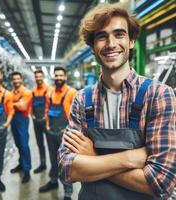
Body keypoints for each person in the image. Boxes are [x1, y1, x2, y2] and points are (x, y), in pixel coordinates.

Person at [58, 3, 176, 200]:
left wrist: (94, 158)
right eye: (102, 36)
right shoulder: (82, 99)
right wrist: (129, 158)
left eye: (119, 34)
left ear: (131, 41)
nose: (111, 44)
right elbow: (67, 169)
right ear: (93, 46)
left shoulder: (158, 95)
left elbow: (160, 182)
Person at [39, 67, 77, 200]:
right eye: (56, 75)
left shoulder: (72, 92)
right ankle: (53, 181)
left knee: (66, 162)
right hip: (51, 131)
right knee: (53, 159)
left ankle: (67, 192)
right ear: (53, 77)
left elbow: (77, 115)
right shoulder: (49, 92)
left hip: (65, 134)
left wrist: (69, 130)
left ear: (65, 77)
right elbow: (47, 109)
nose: (59, 78)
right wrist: (47, 125)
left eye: (61, 75)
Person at [10, 71, 32, 183]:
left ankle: (27, 170)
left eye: (18, 79)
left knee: (24, 145)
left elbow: (23, 107)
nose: (16, 81)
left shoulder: (27, 92)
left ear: (21, 79)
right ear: (12, 81)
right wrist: (16, 103)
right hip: (13, 120)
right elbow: (16, 105)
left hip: (22, 120)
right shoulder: (11, 93)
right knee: (18, 144)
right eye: (14, 79)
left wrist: (10, 104)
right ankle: (21, 164)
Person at [32, 70, 48, 173]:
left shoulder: (49, 90)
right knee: (40, 143)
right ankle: (43, 164)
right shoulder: (33, 91)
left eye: (40, 76)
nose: (38, 78)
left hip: (46, 121)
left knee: (53, 146)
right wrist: (32, 115)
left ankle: (57, 167)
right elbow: (30, 105)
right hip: (36, 121)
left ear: (43, 77)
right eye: (36, 77)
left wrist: (46, 118)